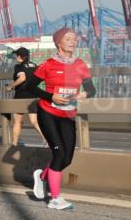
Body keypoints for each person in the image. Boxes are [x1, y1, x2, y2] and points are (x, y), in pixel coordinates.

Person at [23, 27, 96, 210]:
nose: (73, 42)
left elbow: (91, 89)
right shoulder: (48, 64)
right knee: (59, 154)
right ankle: (55, 198)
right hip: (48, 112)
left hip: (68, 115)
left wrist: (85, 95)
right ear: (58, 43)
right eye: (68, 39)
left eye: (74, 39)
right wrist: (50, 97)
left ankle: (41, 177)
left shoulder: (80, 65)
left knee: (67, 158)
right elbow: (30, 86)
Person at [4, 47, 43, 147]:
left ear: (20, 56)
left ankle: (14, 144)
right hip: (33, 95)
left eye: (16, 55)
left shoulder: (19, 66)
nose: (15, 57)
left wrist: (11, 86)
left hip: (21, 96)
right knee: (34, 121)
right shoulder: (34, 65)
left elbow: (22, 78)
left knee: (17, 120)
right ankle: (46, 139)